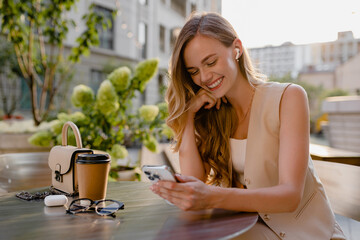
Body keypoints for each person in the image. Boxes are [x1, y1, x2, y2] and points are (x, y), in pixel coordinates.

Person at [150, 12, 345, 240]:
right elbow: (194, 180)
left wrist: (213, 196)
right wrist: (188, 116)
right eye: (193, 71)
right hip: (248, 229)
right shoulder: (211, 115)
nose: (203, 77)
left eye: (210, 62)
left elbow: (290, 196)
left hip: (308, 233)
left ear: (237, 49)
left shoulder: (289, 97)